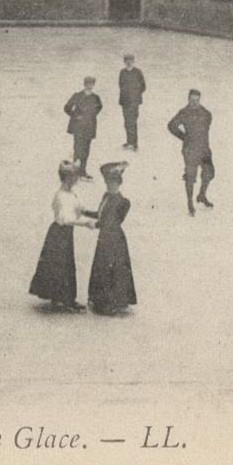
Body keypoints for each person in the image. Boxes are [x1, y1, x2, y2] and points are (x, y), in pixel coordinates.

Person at [28, 162, 97, 312]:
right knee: (61, 265)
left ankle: (64, 299)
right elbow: (66, 219)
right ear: (68, 179)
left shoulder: (70, 193)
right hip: (60, 233)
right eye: (74, 177)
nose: (77, 179)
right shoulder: (61, 196)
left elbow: (79, 208)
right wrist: (86, 223)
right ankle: (63, 300)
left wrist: (95, 213)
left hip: (64, 232)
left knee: (63, 265)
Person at [87, 161, 136, 315]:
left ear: (118, 183)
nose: (110, 185)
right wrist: (83, 212)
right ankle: (101, 300)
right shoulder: (106, 196)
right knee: (103, 267)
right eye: (108, 182)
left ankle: (112, 301)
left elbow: (111, 221)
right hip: (105, 237)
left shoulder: (123, 202)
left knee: (112, 268)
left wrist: (96, 224)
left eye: (112, 183)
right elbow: (99, 214)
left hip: (113, 238)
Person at [167, 88, 214, 217]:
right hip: (190, 150)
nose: (194, 103)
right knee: (190, 177)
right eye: (192, 100)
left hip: (204, 149)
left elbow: (208, 122)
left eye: (197, 100)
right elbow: (171, 125)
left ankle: (201, 196)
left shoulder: (205, 113)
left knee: (209, 173)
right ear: (188, 99)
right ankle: (190, 203)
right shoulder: (184, 113)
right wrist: (184, 137)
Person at [63, 76, 104, 176]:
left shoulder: (96, 98)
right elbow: (67, 107)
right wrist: (76, 116)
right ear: (84, 84)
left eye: (91, 83)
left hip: (89, 127)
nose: (89, 85)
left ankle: (83, 171)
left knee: (86, 149)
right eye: (87, 83)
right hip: (78, 127)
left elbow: (99, 108)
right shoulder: (77, 95)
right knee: (77, 149)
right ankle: (75, 171)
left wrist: (91, 116)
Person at [118, 54, 146, 151]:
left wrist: (135, 95)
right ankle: (129, 141)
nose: (129, 62)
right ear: (124, 62)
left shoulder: (137, 72)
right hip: (125, 101)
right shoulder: (122, 72)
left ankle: (134, 144)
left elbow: (143, 86)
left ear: (133, 61)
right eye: (127, 60)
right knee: (126, 122)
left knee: (132, 122)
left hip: (134, 102)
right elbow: (120, 85)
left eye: (130, 60)